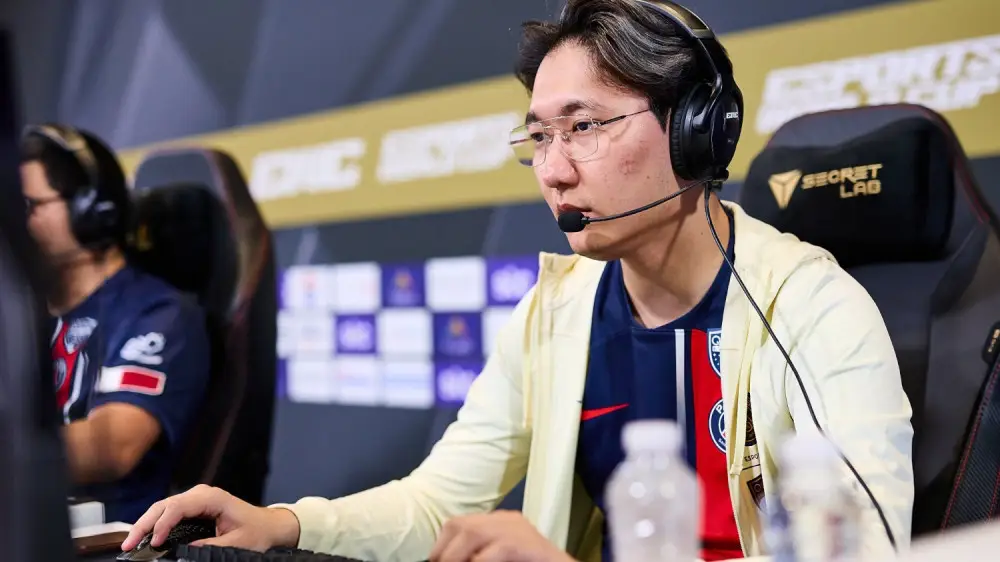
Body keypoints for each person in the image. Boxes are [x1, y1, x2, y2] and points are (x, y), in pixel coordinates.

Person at [122, 1, 914, 560]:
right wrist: (281, 524)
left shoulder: (811, 306)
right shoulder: (557, 310)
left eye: (584, 127)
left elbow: (865, 551)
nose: (555, 171)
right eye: (539, 137)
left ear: (694, 131)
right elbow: (438, 502)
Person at [20, 123, 211, 524]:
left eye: (27, 206)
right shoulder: (21, 312)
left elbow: (111, 449)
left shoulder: (158, 314)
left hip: (109, 541)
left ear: (91, 212)